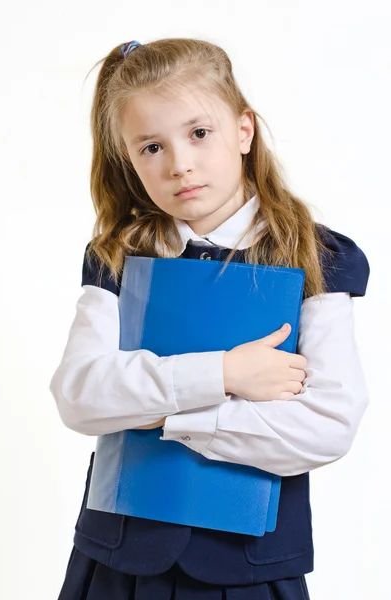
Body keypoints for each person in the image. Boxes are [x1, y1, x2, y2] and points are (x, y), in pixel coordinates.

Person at [49, 37, 370, 600]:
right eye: (150, 147)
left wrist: (159, 415)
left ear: (243, 131)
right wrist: (224, 374)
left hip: (250, 568)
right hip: (117, 561)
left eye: (199, 133)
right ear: (129, 159)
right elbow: (79, 395)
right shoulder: (118, 256)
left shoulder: (316, 258)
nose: (179, 164)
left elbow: (326, 426)